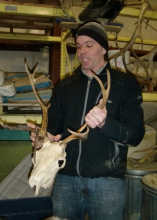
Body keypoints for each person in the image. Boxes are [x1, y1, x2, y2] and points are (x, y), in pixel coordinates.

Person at [28, 20, 145, 220]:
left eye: (89, 45)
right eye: (79, 46)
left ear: (104, 49)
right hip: (66, 180)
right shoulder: (65, 86)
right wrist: (43, 138)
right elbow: (55, 130)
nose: (82, 51)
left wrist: (104, 124)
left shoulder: (125, 84)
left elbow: (135, 135)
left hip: (107, 181)